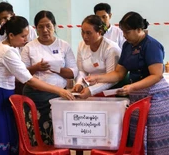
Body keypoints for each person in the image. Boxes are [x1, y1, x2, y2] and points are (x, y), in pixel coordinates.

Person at [0, 16, 74, 155]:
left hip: (4, 94)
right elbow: (29, 79)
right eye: (23, 36)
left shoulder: (12, 48)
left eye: (27, 36)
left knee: (7, 135)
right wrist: (59, 90)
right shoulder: (7, 51)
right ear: (11, 35)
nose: (25, 39)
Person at [86, 11, 169, 155]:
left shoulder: (151, 45)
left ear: (139, 29)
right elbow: (119, 73)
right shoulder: (127, 46)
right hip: (136, 96)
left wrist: (132, 87)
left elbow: (156, 75)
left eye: (128, 32)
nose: (124, 35)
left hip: (154, 97)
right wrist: (98, 78)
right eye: (123, 31)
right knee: (136, 135)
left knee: (153, 138)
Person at [21, 10, 78, 145]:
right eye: (41, 27)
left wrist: (56, 69)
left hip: (59, 96)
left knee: (59, 135)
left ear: (55, 26)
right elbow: (21, 73)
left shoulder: (64, 45)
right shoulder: (29, 47)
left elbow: (73, 72)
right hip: (35, 95)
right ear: (35, 28)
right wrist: (36, 68)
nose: (45, 30)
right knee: (36, 136)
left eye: (48, 26)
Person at [72, 15, 121, 99]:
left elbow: (112, 79)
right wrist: (79, 84)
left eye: (88, 33)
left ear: (100, 32)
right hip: (89, 90)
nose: (85, 36)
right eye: (82, 32)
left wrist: (92, 90)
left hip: (110, 92)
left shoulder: (111, 48)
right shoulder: (81, 45)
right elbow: (81, 70)